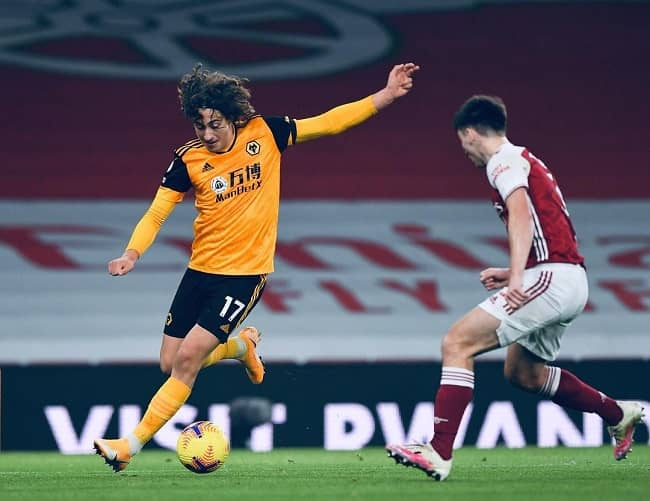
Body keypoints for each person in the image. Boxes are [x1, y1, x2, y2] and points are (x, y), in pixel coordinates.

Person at [94, 61, 420, 472]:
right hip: (200, 272)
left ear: (233, 118)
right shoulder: (187, 160)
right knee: (169, 362)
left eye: (215, 124)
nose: (207, 134)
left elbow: (329, 123)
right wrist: (131, 254)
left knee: (188, 359)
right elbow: (157, 213)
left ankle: (129, 446)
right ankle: (241, 347)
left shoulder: (266, 133)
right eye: (199, 125)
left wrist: (385, 96)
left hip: (244, 275)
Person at [386, 95, 645, 481]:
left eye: (462, 142)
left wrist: (520, 276)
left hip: (551, 280)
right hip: (568, 277)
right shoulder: (526, 159)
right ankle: (618, 413)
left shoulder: (502, 161)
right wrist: (513, 271)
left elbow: (521, 214)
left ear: (469, 133)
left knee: (457, 343)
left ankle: (439, 451)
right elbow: (550, 230)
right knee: (524, 374)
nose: (464, 152)